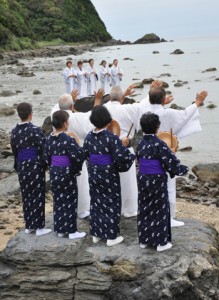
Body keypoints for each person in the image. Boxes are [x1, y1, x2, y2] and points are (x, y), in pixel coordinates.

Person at [139, 86, 208, 227]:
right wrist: (197, 102)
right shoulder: (168, 113)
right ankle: (168, 217)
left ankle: (152, 215)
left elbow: (147, 103)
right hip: (165, 150)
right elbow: (185, 115)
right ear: (163, 99)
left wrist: (161, 100)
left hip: (147, 153)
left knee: (149, 189)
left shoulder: (143, 110)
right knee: (168, 186)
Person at [83, 105, 135, 246]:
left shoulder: (88, 136)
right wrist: (127, 150)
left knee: (97, 201)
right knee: (111, 202)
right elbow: (120, 157)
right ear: (108, 121)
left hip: (94, 173)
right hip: (108, 175)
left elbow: (86, 154)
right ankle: (111, 237)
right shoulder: (111, 138)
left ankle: (97, 234)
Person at [137, 112, 188, 251]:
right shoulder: (160, 144)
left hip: (142, 178)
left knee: (144, 208)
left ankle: (144, 240)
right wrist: (182, 168)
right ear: (157, 127)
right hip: (156, 179)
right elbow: (171, 163)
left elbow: (139, 160)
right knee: (159, 208)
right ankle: (161, 243)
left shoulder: (140, 143)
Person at [50, 90, 105, 219]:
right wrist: (97, 99)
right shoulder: (77, 118)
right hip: (76, 155)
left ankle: (66, 209)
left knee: (64, 187)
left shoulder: (54, 115)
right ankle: (81, 210)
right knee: (81, 182)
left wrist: (71, 99)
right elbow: (94, 116)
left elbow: (57, 106)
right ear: (72, 107)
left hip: (59, 159)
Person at [10, 102, 51, 236]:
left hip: (22, 165)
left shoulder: (15, 131)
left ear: (19, 115)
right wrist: (45, 164)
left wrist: (18, 166)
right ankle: (39, 227)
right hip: (35, 165)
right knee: (37, 194)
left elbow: (15, 150)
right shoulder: (35, 130)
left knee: (27, 195)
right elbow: (43, 148)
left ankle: (29, 225)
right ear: (30, 115)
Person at [44, 110, 86, 239]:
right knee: (70, 200)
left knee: (58, 200)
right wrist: (76, 170)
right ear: (65, 123)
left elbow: (46, 157)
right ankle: (71, 231)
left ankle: (61, 229)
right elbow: (77, 157)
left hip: (54, 172)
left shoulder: (49, 138)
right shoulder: (68, 139)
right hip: (67, 172)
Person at [104, 86, 141, 218]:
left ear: (109, 97)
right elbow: (144, 105)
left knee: (110, 180)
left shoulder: (104, 109)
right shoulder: (128, 108)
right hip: (125, 146)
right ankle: (129, 210)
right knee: (128, 181)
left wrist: (123, 95)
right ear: (123, 98)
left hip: (107, 150)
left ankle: (113, 207)